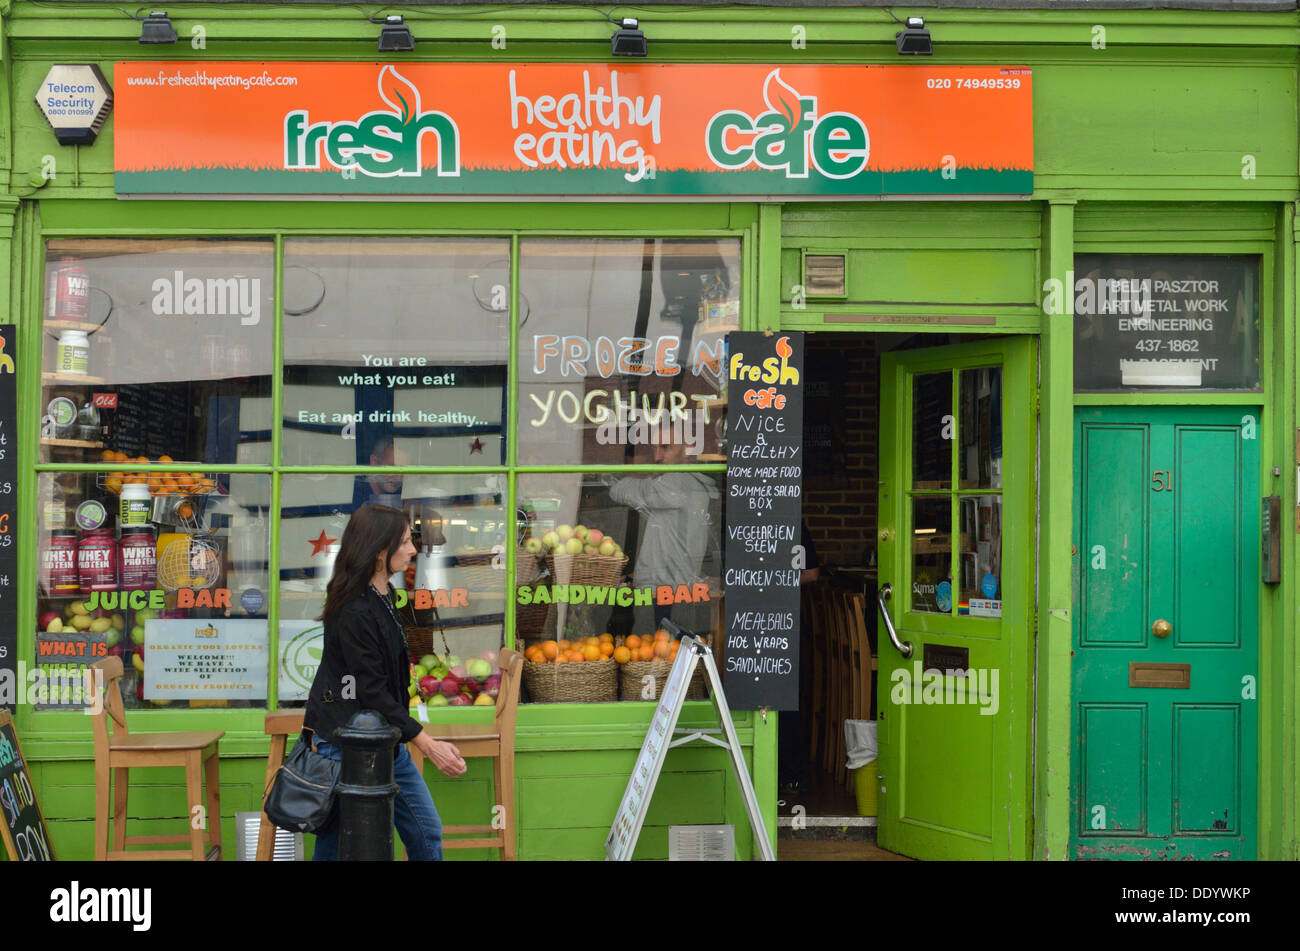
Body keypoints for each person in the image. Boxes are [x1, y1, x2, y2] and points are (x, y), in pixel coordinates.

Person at [303, 503, 467, 861]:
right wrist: (427, 743)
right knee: (337, 847)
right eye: (405, 542)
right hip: (345, 743)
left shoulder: (385, 596)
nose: (413, 549)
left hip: (384, 739)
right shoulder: (354, 608)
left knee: (427, 833)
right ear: (380, 551)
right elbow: (371, 689)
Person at [608, 430, 720, 635]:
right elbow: (669, 546)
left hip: (669, 596)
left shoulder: (675, 483)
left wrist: (639, 472)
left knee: (660, 655)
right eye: (654, 449)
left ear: (687, 451)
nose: (657, 456)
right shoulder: (691, 484)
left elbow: (618, 491)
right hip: (674, 590)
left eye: (666, 448)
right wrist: (637, 575)